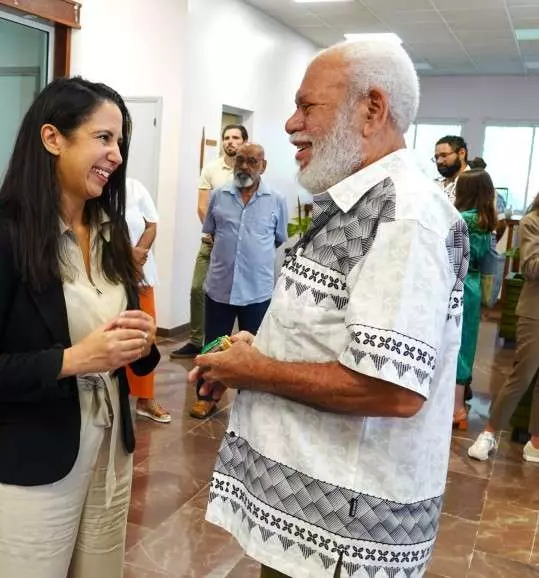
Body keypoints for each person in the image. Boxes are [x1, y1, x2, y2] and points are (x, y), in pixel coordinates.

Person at [192, 41, 467, 578]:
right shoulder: (359, 201)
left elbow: (392, 388)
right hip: (318, 526)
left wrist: (260, 372)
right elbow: (337, 332)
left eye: (307, 106)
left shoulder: (402, 218)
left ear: (372, 110)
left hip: (344, 537)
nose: (291, 123)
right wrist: (260, 351)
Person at [0, 77, 160, 578]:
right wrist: (74, 360)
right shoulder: (4, 239)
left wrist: (141, 342)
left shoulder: (111, 232)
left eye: (121, 140)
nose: (116, 154)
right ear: (52, 138)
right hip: (33, 456)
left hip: (110, 451)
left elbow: (127, 349)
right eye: (104, 138)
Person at [192, 143, 288, 419]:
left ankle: (252, 405)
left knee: (257, 348)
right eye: (240, 160)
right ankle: (204, 397)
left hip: (257, 289)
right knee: (213, 345)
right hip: (220, 286)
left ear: (263, 166)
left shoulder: (276, 200)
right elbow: (210, 230)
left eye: (252, 162)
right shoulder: (219, 196)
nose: (245, 166)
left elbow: (279, 237)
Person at [468, 192, 539, 462]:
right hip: (535, 312)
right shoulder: (532, 221)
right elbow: (531, 267)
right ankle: (488, 433)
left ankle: (535, 443)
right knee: (523, 375)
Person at [171, 124, 248, 361]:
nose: (230, 142)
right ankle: (196, 340)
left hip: (241, 246)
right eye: (227, 137)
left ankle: (235, 342)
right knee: (197, 288)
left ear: (244, 141)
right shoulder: (212, 169)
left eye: (236, 138)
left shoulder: (249, 169)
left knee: (237, 294)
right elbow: (202, 207)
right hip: (212, 241)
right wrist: (215, 233)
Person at [451, 170, 496, 430]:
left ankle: (451, 408)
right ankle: (459, 410)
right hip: (474, 284)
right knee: (466, 346)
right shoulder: (486, 221)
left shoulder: (461, 219)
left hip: (456, 284)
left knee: (451, 344)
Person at [125, 176, 170, 423]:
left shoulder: (135, 187)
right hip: (108, 273)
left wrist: (139, 253)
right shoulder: (92, 187)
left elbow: (151, 224)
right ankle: (115, 398)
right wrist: (125, 255)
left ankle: (145, 398)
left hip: (140, 275)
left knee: (144, 336)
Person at [434, 135, 469, 203]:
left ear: (462, 153)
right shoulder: (435, 184)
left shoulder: (476, 184)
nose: (439, 161)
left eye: (444, 155)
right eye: (436, 157)